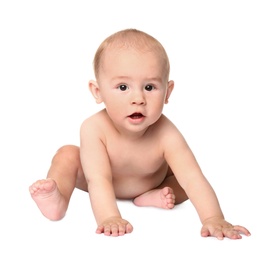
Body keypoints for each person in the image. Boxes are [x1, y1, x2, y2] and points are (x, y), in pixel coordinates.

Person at [29, 28, 251, 239]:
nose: (138, 99)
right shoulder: (93, 127)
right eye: (123, 87)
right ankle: (57, 199)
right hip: (97, 179)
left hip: (152, 183)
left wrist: (214, 218)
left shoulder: (166, 133)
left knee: (182, 182)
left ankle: (150, 196)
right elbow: (98, 179)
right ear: (98, 92)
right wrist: (110, 217)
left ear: (167, 92)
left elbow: (193, 178)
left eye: (149, 87)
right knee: (67, 154)